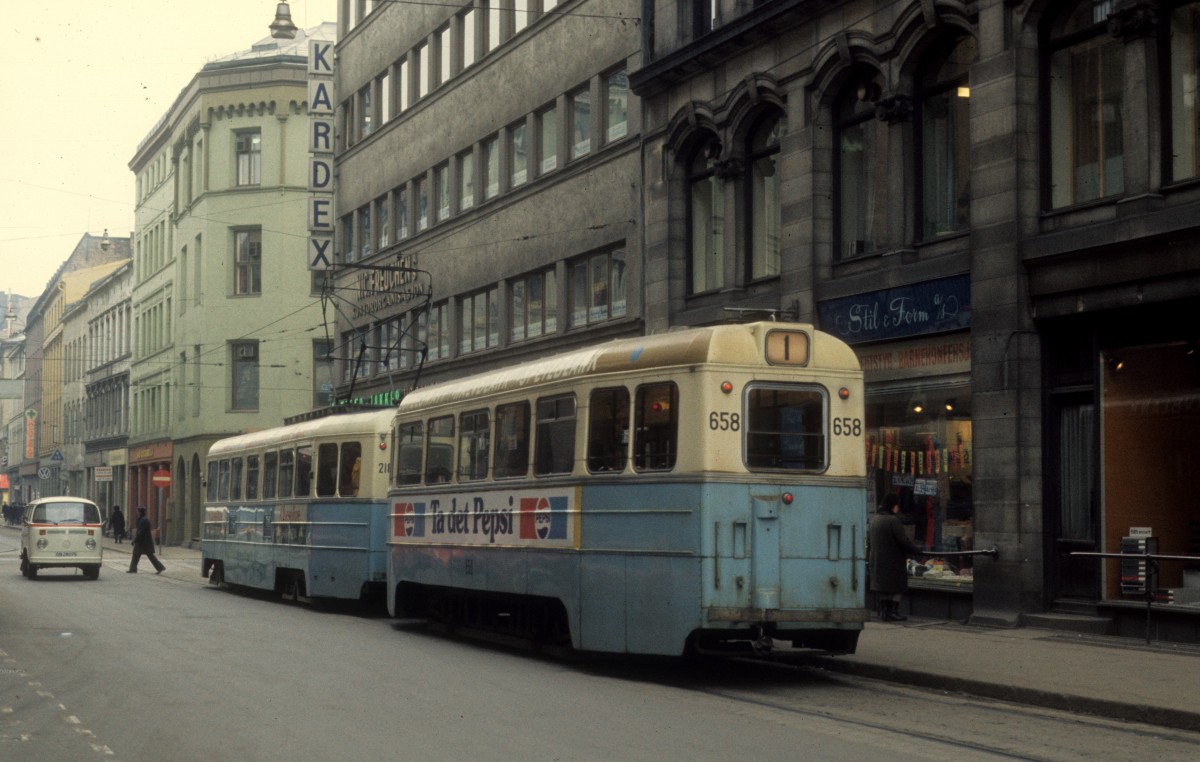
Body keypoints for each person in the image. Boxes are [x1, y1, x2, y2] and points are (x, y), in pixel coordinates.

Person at [868, 493, 923, 622]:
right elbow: (903, 540)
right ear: (892, 505)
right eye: (897, 505)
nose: (898, 508)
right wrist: (916, 550)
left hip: (877, 560)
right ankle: (893, 611)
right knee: (897, 587)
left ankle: (884, 612)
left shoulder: (874, 519)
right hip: (893, 560)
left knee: (882, 587)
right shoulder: (893, 520)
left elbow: (870, 541)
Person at [127, 507, 165, 574]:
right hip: (145, 542)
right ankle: (160, 567)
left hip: (142, 542)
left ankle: (133, 569)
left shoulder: (143, 520)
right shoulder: (144, 519)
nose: (137, 513)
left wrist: (135, 540)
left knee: (137, 554)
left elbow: (141, 532)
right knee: (144, 555)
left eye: (138, 511)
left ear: (140, 512)